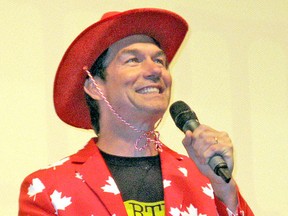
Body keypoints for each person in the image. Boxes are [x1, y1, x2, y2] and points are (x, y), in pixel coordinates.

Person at [19, 8, 254, 216]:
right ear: (95, 86)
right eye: (133, 60)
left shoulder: (203, 179)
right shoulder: (48, 188)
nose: (155, 70)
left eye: (160, 61)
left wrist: (224, 188)